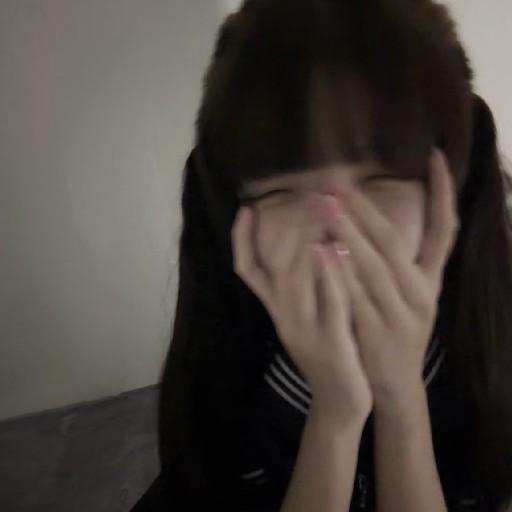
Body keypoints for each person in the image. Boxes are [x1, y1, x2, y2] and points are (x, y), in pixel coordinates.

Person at [131, 0, 512, 510]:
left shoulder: (489, 346)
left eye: (381, 180)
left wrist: (401, 397)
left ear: (450, 193)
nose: (336, 229)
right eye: (280, 191)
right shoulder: (230, 363)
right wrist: (335, 412)